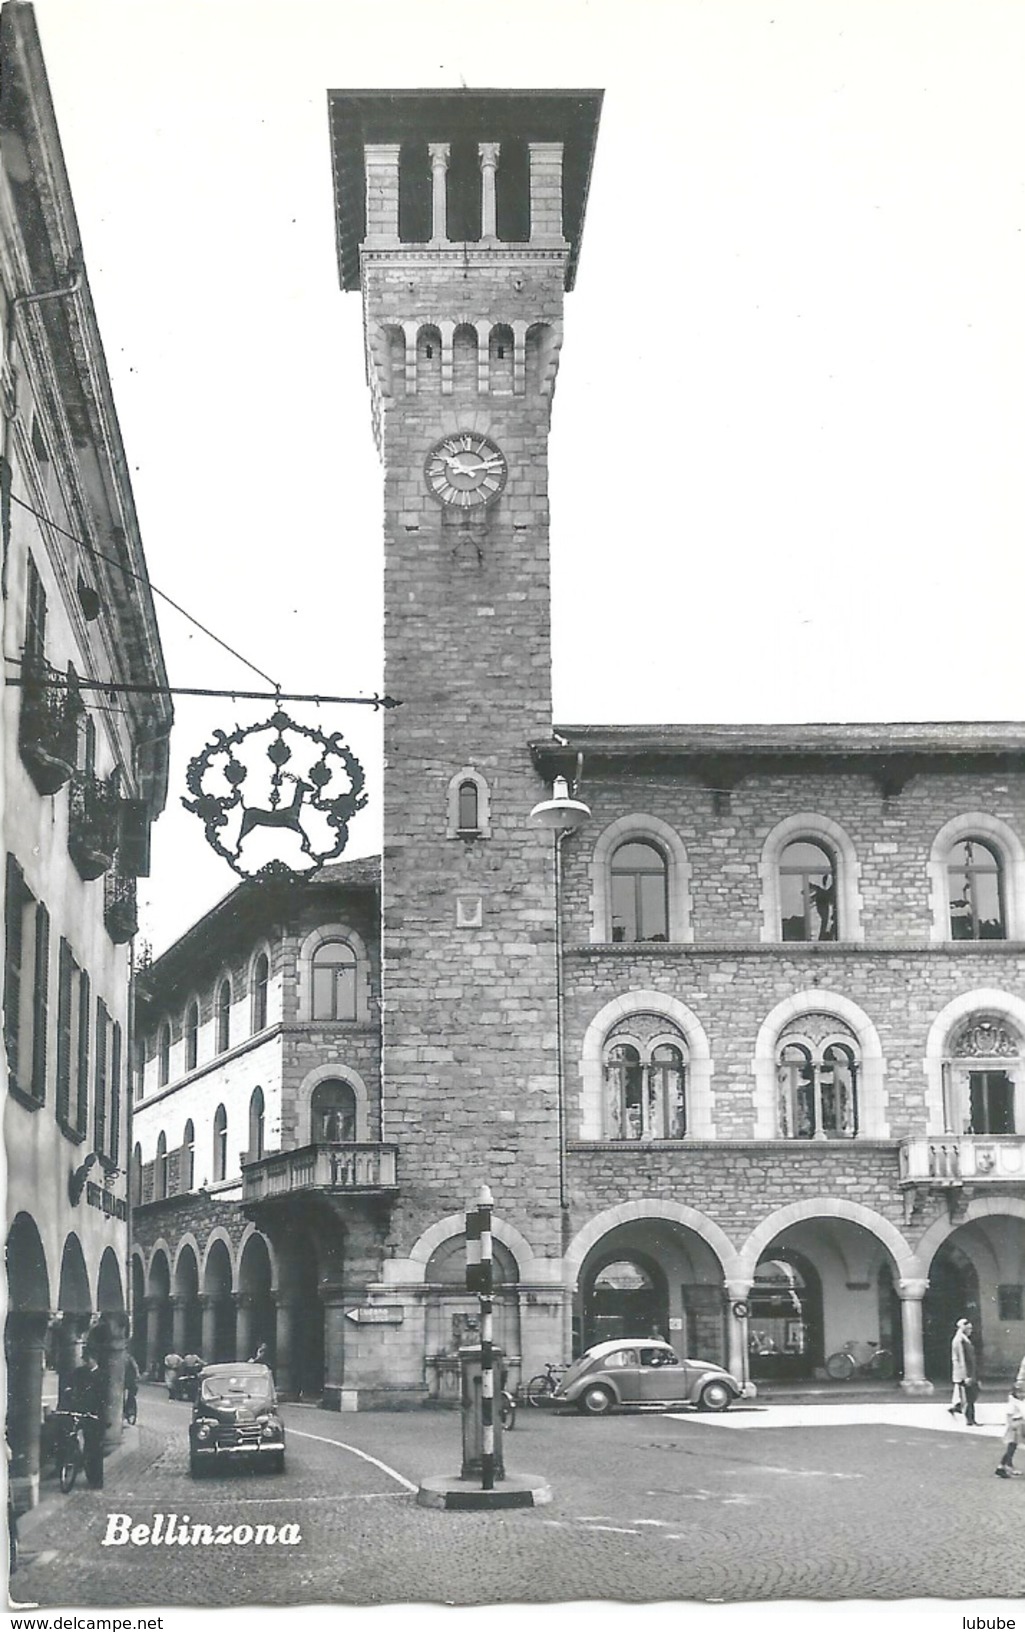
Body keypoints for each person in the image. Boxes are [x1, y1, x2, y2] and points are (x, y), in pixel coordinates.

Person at [64, 1350, 106, 1487]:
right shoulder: (80, 1372)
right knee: (68, 1435)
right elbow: (69, 1382)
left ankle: (95, 1480)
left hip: (94, 1414)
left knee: (93, 1448)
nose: (85, 1362)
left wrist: (99, 1414)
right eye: (84, 1360)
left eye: (87, 1360)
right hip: (79, 1410)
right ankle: (69, 1465)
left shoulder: (103, 1375)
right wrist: (69, 1390)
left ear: (94, 1359)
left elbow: (104, 1399)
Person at [949, 1317, 979, 1425]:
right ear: (962, 1328)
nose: (970, 1330)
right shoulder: (959, 1340)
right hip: (964, 1374)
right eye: (968, 1328)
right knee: (968, 1397)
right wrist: (966, 1376)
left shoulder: (964, 1338)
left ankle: (956, 1407)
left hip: (969, 1373)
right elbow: (961, 1359)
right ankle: (969, 1420)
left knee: (971, 1395)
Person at [994, 1382, 1025, 1478]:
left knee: (1012, 1447)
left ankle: (1006, 1466)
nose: (1022, 1395)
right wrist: (1011, 1426)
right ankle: (1001, 1467)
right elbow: (1009, 1416)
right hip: (1015, 1425)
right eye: (1019, 1393)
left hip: (1022, 1424)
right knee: (1011, 1447)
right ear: (1014, 1393)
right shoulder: (1013, 1403)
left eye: (1023, 1392)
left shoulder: (1021, 1401)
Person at [123, 1350, 140, 1421]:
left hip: (127, 1379)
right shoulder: (129, 1357)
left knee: (131, 1394)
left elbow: (135, 1366)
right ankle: (127, 1409)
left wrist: (137, 1374)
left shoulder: (128, 1358)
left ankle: (129, 1408)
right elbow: (135, 1367)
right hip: (125, 1379)